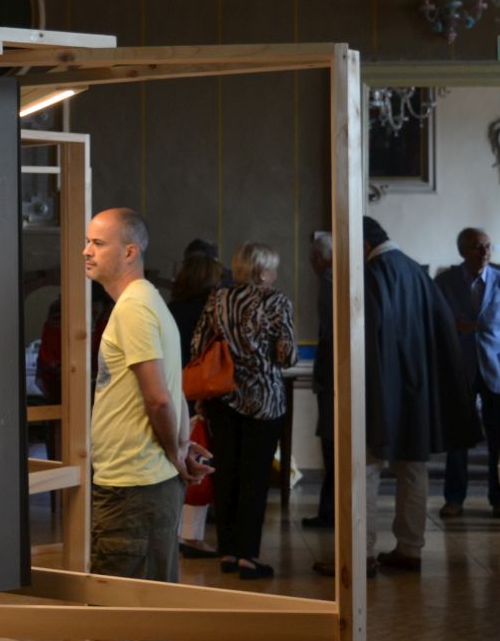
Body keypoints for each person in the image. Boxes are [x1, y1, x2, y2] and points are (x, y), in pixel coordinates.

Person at [80, 208, 211, 641]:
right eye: (87, 241)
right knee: (155, 598)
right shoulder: (150, 302)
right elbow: (170, 393)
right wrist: (179, 446)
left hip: (131, 484)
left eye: (98, 243)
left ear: (130, 251)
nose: (87, 251)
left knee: (112, 607)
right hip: (149, 479)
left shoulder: (133, 309)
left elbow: (158, 397)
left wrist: (177, 451)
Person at [314, 217, 471, 577]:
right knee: (413, 469)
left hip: (378, 392)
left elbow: (359, 341)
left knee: (365, 470)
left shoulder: (370, 275)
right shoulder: (417, 272)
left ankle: (360, 555)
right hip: (417, 393)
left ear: (363, 244)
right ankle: (410, 548)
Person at [189, 241, 297, 579]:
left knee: (226, 475)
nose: (275, 274)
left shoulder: (218, 299)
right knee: (255, 478)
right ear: (262, 272)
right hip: (264, 403)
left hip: (223, 399)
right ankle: (248, 555)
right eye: (273, 268)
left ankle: (228, 552)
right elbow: (287, 356)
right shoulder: (277, 301)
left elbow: (197, 345)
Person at [433, 227, 500, 517]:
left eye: (487, 246)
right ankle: (454, 498)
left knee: (499, 439)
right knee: (457, 437)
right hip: (459, 368)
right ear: (462, 251)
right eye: (476, 246)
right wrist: (453, 328)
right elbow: (433, 323)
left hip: (498, 369)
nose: (484, 252)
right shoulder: (444, 282)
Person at [169, 248, 224, 558]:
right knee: (197, 460)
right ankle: (191, 536)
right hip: (197, 390)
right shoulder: (208, 312)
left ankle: (174, 530)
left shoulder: (170, 309)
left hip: (170, 388)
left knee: (174, 459)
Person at [303, 231, 336, 529]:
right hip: (334, 376)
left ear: (317, 258)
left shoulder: (328, 281)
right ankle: (330, 510)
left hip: (330, 378)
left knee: (331, 446)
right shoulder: (338, 280)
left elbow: (329, 337)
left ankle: (330, 512)